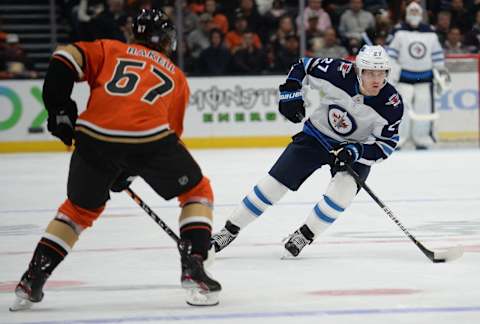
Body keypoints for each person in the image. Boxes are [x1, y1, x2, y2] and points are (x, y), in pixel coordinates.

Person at [10, 9, 221, 311]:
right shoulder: (176, 76)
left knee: (78, 212)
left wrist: (58, 107)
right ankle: (194, 264)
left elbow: (65, 56)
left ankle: (32, 279)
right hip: (148, 139)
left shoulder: (111, 49)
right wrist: (130, 168)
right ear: (166, 40)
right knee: (197, 191)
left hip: (93, 138)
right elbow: (167, 137)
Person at [211, 45, 403, 258]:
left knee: (342, 194)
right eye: (370, 72)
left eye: (381, 73)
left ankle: (304, 235)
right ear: (359, 70)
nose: (376, 79)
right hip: (317, 137)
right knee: (273, 184)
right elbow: (303, 65)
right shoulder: (338, 72)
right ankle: (228, 231)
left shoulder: (391, 104)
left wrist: (355, 151)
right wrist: (290, 93)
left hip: (352, 149)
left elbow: (385, 145)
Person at [385, 2, 449, 150]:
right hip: (403, 80)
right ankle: (398, 140)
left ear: (421, 14)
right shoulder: (398, 31)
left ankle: (423, 139)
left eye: (416, 12)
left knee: (424, 111)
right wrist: (392, 75)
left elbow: (438, 57)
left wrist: (441, 73)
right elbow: (391, 56)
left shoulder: (430, 33)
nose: (414, 14)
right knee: (401, 111)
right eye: (411, 12)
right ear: (407, 13)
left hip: (425, 80)